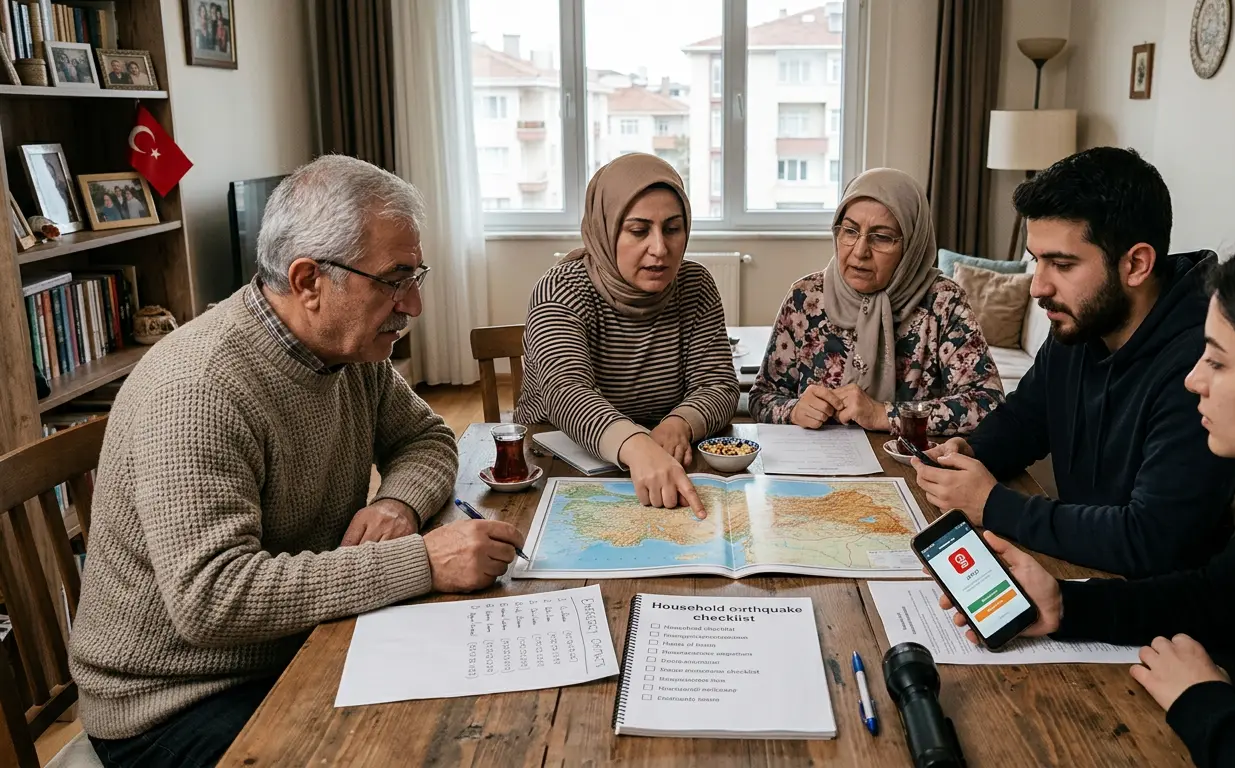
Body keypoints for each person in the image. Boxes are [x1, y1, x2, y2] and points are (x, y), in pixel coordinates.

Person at [69, 155, 526, 768]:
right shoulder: (198, 388)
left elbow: (426, 439)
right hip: (175, 703)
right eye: (394, 280)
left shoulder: (351, 353)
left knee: (481, 720)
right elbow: (213, 598)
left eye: (417, 276)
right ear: (309, 281)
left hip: (291, 643)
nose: (413, 305)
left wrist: (396, 503)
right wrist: (420, 561)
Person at [942, 225, 1235, 767]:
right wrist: (1066, 604)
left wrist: (1201, 700)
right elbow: (1214, 596)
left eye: (1216, 360)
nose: (1193, 380)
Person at [913, 147, 1235, 578]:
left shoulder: (1202, 366)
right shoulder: (1080, 323)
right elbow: (1028, 418)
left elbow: (1150, 539)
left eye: (1062, 264)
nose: (1038, 287)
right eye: (1036, 260)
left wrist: (993, 504)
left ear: (1137, 264)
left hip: (1153, 612)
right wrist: (973, 451)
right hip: (1080, 572)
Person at [517, 153, 737, 518]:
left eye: (672, 228)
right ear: (606, 228)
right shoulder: (559, 290)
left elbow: (718, 385)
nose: (660, 248)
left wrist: (679, 422)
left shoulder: (695, 285)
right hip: (558, 467)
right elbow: (567, 393)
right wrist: (635, 443)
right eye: (638, 230)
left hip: (665, 462)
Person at [749, 167, 1004, 435]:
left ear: (911, 245)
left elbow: (989, 404)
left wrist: (883, 414)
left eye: (881, 237)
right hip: (815, 465)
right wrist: (793, 410)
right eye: (849, 231)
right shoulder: (806, 297)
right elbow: (761, 398)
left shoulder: (943, 302)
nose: (860, 252)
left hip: (909, 466)